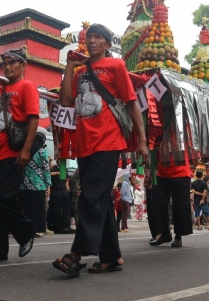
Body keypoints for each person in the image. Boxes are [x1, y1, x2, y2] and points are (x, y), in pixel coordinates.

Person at [53, 24, 148, 277]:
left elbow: (131, 104)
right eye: (89, 37)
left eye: (98, 37)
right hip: (84, 144)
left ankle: (75, 253)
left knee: (90, 197)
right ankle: (112, 257)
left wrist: (142, 141)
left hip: (108, 142)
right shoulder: (80, 71)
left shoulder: (116, 66)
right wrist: (70, 66)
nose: (92, 41)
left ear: (107, 44)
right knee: (102, 201)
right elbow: (65, 101)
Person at [0, 49, 38, 262]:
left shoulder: (27, 87)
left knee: (4, 196)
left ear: (23, 66)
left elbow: (33, 119)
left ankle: (26, 231)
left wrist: (26, 149)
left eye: (13, 62)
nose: (8, 67)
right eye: (5, 63)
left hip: (12, 151)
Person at [150, 144, 193, 248]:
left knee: (180, 206)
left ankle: (178, 236)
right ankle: (164, 234)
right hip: (161, 172)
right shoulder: (157, 130)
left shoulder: (182, 129)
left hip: (181, 172)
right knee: (157, 203)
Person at [20, 132, 51, 237]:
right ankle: (36, 229)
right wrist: (48, 184)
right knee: (38, 208)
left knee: (27, 207)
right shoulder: (42, 152)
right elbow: (46, 169)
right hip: (39, 185)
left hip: (25, 183)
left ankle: (26, 229)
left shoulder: (25, 151)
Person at [48, 162, 73, 234]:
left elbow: (66, 180)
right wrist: (57, 173)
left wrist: (67, 190)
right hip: (56, 191)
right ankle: (58, 227)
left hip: (64, 192)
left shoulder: (65, 168)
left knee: (67, 210)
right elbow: (47, 174)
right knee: (56, 210)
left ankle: (67, 226)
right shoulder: (53, 167)